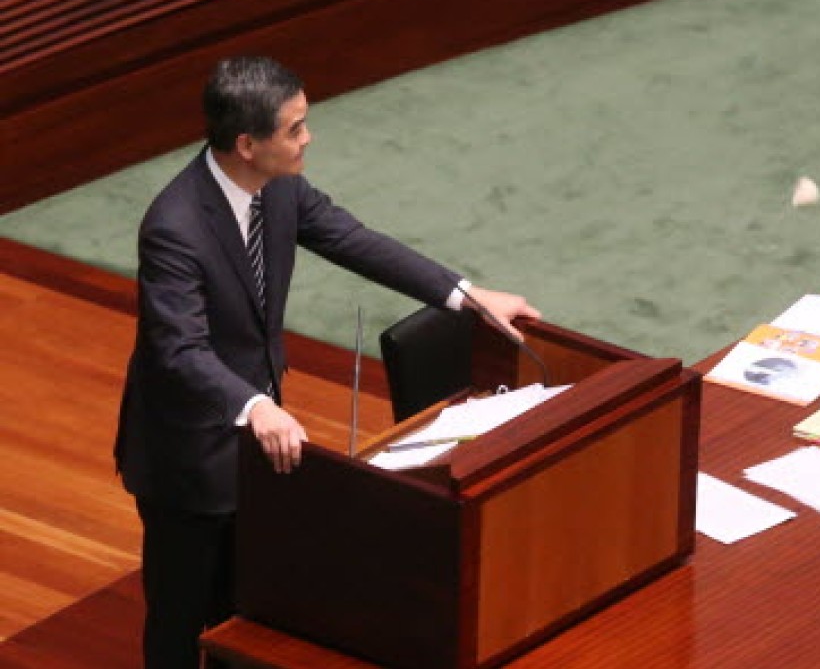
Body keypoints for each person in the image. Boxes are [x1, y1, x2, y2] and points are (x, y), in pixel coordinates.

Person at [113, 55, 540, 669]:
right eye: (294, 128)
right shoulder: (174, 227)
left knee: (249, 598)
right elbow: (177, 350)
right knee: (181, 616)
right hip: (189, 452)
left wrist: (467, 296)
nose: (307, 136)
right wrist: (254, 405)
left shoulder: (280, 187)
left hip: (260, 437)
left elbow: (352, 239)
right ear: (246, 144)